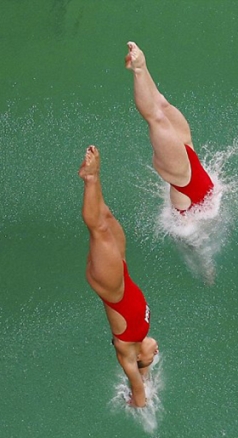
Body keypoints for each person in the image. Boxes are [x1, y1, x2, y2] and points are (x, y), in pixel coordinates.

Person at [79, 145, 159, 408]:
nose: (156, 352)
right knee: (106, 216)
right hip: (121, 271)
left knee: (99, 229)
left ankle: (90, 177)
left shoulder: (127, 354)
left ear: (139, 360)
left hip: (112, 288)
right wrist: (148, 375)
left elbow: (139, 399)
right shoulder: (140, 342)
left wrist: (139, 394)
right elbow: (145, 374)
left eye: (151, 358)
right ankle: (94, 179)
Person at [126, 41, 215, 213]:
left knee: (158, 116)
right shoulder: (193, 230)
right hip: (185, 174)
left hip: (185, 174)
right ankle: (139, 69)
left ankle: (140, 68)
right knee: (161, 108)